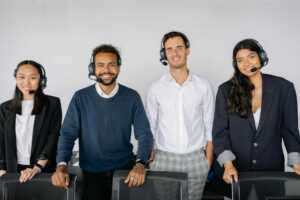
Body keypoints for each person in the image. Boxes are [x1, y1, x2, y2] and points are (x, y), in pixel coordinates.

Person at [51, 44, 153, 200]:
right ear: (93, 68)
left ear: (118, 67)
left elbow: (144, 133)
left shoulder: (132, 97)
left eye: (112, 64)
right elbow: (67, 134)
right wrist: (61, 165)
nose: (106, 70)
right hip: (91, 174)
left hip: (125, 171)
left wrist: (141, 164)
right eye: (100, 65)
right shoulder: (80, 97)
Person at [213, 38, 300, 186]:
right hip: (235, 170)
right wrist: (228, 164)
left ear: (262, 57)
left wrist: (296, 163)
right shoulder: (226, 90)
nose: (246, 64)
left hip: (270, 170)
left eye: (251, 57)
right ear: (236, 64)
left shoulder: (283, 88)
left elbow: (290, 130)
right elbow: (220, 132)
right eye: (240, 60)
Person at [146, 31, 214, 200]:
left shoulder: (203, 86)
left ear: (187, 50)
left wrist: (207, 162)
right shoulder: (156, 88)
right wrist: (150, 159)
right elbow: (150, 127)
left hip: (196, 158)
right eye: (169, 49)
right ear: (164, 54)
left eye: (179, 47)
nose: (175, 53)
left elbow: (210, 126)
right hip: (163, 158)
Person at [0, 60, 62, 182]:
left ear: (41, 80)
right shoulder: (4, 108)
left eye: (33, 77)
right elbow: (0, 140)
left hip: (42, 169)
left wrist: (37, 167)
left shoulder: (52, 104)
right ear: (16, 79)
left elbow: (53, 137)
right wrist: (1, 168)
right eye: (21, 77)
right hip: (11, 170)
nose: (26, 82)